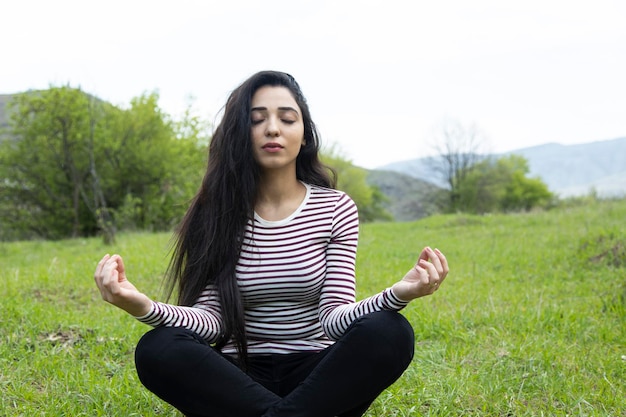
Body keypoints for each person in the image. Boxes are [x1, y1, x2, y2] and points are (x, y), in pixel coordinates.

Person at [94, 70, 448, 417]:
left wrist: (400, 294)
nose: (273, 128)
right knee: (158, 348)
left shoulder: (334, 207)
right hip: (238, 382)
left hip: (319, 380)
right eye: (257, 119)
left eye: (287, 119)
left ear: (305, 135)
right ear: (239, 133)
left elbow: (334, 320)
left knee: (389, 331)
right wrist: (141, 306)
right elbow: (211, 322)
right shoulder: (215, 213)